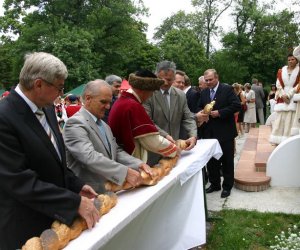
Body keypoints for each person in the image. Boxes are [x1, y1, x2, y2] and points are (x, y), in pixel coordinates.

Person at [0, 52, 100, 249]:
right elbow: (19, 182)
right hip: (24, 228)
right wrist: (73, 203)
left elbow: (54, 159)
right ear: (39, 84)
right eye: (59, 87)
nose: (61, 94)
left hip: (54, 221)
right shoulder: (4, 117)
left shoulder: (46, 107)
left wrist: (75, 185)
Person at [63, 79, 151, 193]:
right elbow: (89, 157)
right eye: (103, 102)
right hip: (90, 195)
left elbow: (116, 151)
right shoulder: (75, 123)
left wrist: (138, 164)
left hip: (108, 192)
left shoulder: (104, 125)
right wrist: (125, 172)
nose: (108, 107)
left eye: (109, 102)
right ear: (88, 98)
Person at [108, 69, 179, 163]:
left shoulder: (123, 100)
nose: (151, 95)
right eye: (152, 91)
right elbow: (151, 140)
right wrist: (175, 149)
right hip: (128, 160)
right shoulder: (132, 105)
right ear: (143, 90)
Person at [196, 69, 241, 198]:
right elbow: (198, 107)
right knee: (211, 161)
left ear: (217, 78)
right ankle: (215, 184)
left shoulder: (226, 89)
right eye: (206, 80)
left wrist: (220, 113)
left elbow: (236, 105)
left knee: (227, 161)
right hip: (209, 132)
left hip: (225, 132)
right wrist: (201, 112)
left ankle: (227, 186)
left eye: (210, 79)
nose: (208, 82)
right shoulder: (204, 92)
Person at [143, 60, 197, 166]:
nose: (165, 82)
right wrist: (165, 135)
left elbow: (188, 118)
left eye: (169, 79)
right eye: (161, 79)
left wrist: (193, 135)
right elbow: (147, 121)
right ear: (156, 76)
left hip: (174, 152)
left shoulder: (180, 95)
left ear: (174, 78)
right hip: (153, 153)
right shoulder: (147, 94)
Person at [269, 53, 300, 145]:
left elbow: (299, 84)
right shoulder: (281, 71)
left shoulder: (299, 70)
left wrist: (289, 95)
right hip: (282, 97)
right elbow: (278, 84)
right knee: (280, 119)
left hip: (293, 96)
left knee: (291, 119)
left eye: (292, 59)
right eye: (289, 59)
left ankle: (288, 141)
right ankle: (276, 139)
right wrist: (282, 95)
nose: (290, 61)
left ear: (296, 60)